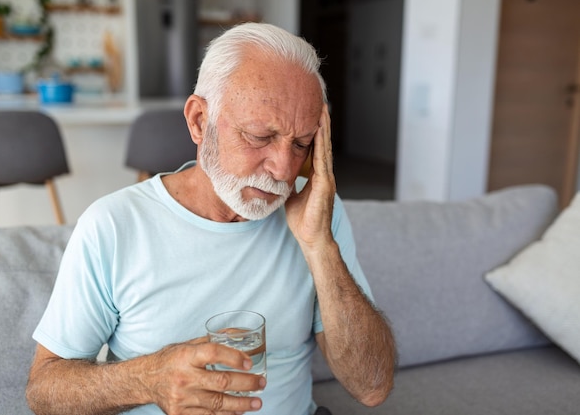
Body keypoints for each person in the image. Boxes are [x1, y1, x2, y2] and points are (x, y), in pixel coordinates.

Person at [26, 22, 396, 415]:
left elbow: (371, 387)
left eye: (302, 143)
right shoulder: (113, 226)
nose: (283, 168)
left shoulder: (318, 215)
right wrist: (148, 378)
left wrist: (320, 246)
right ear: (199, 121)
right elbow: (45, 391)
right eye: (259, 136)